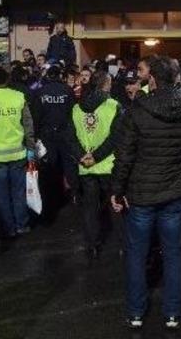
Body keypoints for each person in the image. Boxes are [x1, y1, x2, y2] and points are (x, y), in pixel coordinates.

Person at [111, 56, 181, 331]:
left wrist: (117, 189)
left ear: (153, 79)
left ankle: (136, 312)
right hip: (175, 191)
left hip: (143, 193)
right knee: (172, 253)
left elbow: (124, 156)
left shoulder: (137, 111)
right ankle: (172, 313)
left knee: (137, 253)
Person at [67, 70, 122, 261]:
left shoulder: (76, 108)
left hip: (86, 167)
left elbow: (71, 138)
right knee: (115, 205)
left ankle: (92, 244)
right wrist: (97, 156)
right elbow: (115, 137)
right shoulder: (114, 106)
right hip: (107, 165)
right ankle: (122, 244)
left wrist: (83, 156)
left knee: (90, 207)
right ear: (106, 85)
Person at [0, 67, 36, 239]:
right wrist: (31, 150)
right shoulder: (18, 97)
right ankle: (22, 225)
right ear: (7, 80)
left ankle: (8, 228)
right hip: (18, 154)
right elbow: (28, 126)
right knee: (19, 192)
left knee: (1, 195)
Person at [31, 65, 76, 223]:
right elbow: (73, 114)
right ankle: (73, 196)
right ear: (60, 75)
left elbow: (36, 116)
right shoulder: (67, 91)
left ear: (48, 76)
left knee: (49, 168)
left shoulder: (40, 92)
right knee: (68, 166)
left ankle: (51, 200)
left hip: (47, 135)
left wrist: (35, 136)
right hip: (65, 134)